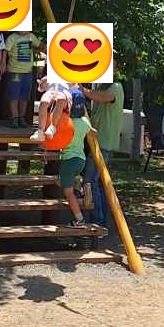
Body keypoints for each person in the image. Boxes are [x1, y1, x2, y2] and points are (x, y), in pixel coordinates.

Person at [82, 74, 124, 230]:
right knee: (99, 183)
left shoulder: (116, 87)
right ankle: (100, 220)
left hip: (103, 143)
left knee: (90, 180)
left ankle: (98, 221)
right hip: (98, 141)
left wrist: (80, 88)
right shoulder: (101, 87)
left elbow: (103, 97)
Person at [58, 92, 93, 231]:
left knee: (68, 193)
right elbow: (91, 128)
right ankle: (82, 187)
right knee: (67, 180)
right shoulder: (85, 122)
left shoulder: (66, 122)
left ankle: (80, 220)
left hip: (68, 160)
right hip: (81, 160)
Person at [4, 31, 42, 127]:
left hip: (28, 72)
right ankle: (14, 118)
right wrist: (2, 63)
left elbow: (40, 46)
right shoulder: (12, 38)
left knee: (24, 97)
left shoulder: (31, 36)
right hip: (15, 71)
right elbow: (5, 52)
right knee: (14, 96)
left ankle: (21, 117)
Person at [32, 74, 72, 142]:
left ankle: (52, 127)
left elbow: (73, 84)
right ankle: (40, 132)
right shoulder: (48, 76)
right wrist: (44, 81)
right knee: (43, 101)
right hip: (50, 92)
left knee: (60, 99)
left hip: (64, 95)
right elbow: (41, 88)